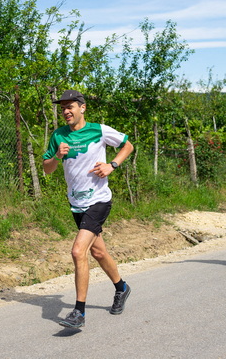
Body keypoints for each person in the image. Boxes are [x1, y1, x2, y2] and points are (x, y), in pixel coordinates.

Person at [43, 89, 134, 328]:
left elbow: (128, 146)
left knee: (78, 251)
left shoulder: (98, 130)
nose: (65, 111)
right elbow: (47, 169)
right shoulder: (58, 135)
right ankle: (122, 287)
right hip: (76, 204)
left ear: (82, 108)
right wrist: (57, 156)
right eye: (63, 108)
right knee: (98, 252)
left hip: (99, 201)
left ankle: (79, 312)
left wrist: (112, 165)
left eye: (70, 106)